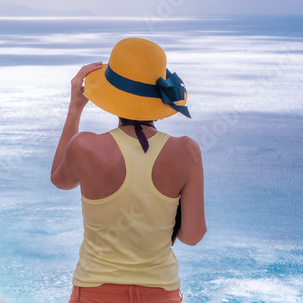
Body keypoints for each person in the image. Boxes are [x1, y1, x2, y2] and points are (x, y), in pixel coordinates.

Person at [50, 38, 207, 303]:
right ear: (158, 99)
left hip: (94, 292)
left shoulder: (85, 146)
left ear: (111, 92)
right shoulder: (186, 151)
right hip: (161, 293)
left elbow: (59, 180)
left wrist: (75, 107)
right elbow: (192, 236)